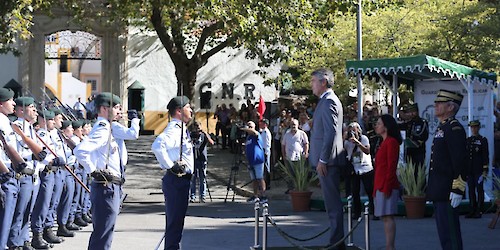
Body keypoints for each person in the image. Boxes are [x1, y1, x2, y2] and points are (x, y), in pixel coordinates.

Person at [74, 92, 125, 250]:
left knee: (105, 231)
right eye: (115, 107)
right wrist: (93, 170)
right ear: (104, 108)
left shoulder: (107, 128)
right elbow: (80, 150)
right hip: (106, 186)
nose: (119, 111)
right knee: (103, 233)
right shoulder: (103, 129)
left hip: (110, 185)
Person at [308, 68, 345, 250]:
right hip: (326, 160)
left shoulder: (329, 101)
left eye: (313, 81)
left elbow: (330, 133)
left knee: (333, 204)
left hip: (328, 161)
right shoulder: (325, 101)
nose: (311, 85)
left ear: (324, 82)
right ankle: (336, 240)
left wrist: (323, 159)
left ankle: (337, 243)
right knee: (331, 204)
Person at [151, 96, 194, 250]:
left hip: (181, 180)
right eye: (188, 107)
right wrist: (170, 166)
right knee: (174, 224)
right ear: (178, 111)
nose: (191, 110)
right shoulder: (175, 129)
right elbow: (157, 146)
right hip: (177, 180)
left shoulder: (181, 128)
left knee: (176, 223)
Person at [426, 89, 467, 250]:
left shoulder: (454, 128)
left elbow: (460, 161)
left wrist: (458, 189)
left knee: (451, 236)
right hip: (440, 190)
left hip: (448, 191)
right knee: (444, 235)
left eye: (440, 103)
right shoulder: (443, 127)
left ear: (450, 107)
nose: (436, 105)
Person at [373, 114, 402, 250]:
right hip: (380, 183)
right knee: (384, 216)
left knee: (388, 216)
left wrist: (387, 186)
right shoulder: (383, 142)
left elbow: (391, 166)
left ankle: (390, 246)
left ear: (386, 126)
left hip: (387, 184)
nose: (376, 126)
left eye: (379, 123)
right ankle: (389, 245)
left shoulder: (391, 142)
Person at [0, 88, 22, 250]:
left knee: (9, 216)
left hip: (9, 172)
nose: (13, 103)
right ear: (1, 104)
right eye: (10, 100)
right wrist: (6, 173)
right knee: (4, 218)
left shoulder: (5, 121)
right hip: (4, 173)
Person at [344, 122, 375, 220]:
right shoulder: (347, 142)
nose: (352, 132)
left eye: (354, 129)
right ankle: (356, 212)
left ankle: (374, 211)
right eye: (350, 130)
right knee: (355, 191)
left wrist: (357, 142)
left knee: (369, 190)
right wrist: (344, 137)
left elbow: (367, 150)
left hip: (366, 168)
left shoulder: (364, 139)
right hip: (354, 169)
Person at [465, 120, 489, 219]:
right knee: (471, 189)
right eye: (472, 127)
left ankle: (479, 210)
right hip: (470, 170)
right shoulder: (468, 140)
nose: (474, 129)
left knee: (479, 189)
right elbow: (466, 156)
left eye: (475, 127)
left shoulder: (482, 140)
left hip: (478, 169)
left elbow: (485, 155)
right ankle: (472, 209)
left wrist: (485, 169)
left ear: (479, 128)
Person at [188, 121, 214, 203]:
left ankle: (202, 196)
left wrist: (205, 134)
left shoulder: (203, 135)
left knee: (202, 178)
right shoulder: (191, 135)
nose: (197, 129)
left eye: (198, 127)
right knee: (193, 178)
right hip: (193, 160)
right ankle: (192, 196)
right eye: (196, 127)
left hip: (202, 159)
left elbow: (212, 143)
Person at [241, 121, 266, 203]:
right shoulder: (248, 137)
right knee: (254, 180)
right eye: (248, 126)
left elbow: (254, 132)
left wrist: (246, 128)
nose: (249, 127)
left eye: (250, 126)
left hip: (258, 160)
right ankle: (255, 196)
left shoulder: (257, 135)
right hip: (250, 161)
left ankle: (263, 195)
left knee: (260, 178)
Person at [281, 118, 309, 193]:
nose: (293, 126)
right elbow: (283, 145)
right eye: (292, 124)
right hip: (289, 157)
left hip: (299, 157)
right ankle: (290, 188)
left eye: (295, 124)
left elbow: (306, 144)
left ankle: (298, 188)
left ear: (298, 125)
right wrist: (283, 155)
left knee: (299, 174)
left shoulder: (302, 133)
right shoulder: (287, 134)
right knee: (289, 174)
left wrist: (306, 152)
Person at [403, 103, 429, 171]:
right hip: (409, 152)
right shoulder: (409, 123)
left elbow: (424, 136)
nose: (411, 113)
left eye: (413, 111)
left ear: (417, 111)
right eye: (410, 112)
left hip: (418, 152)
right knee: (409, 173)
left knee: (418, 172)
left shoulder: (422, 122)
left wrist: (416, 143)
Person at [259, 118, 272, 190]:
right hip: (261, 150)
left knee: (267, 168)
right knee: (262, 168)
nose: (261, 124)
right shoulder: (261, 131)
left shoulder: (267, 132)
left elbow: (267, 143)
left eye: (262, 123)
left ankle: (268, 184)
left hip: (265, 151)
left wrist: (266, 152)